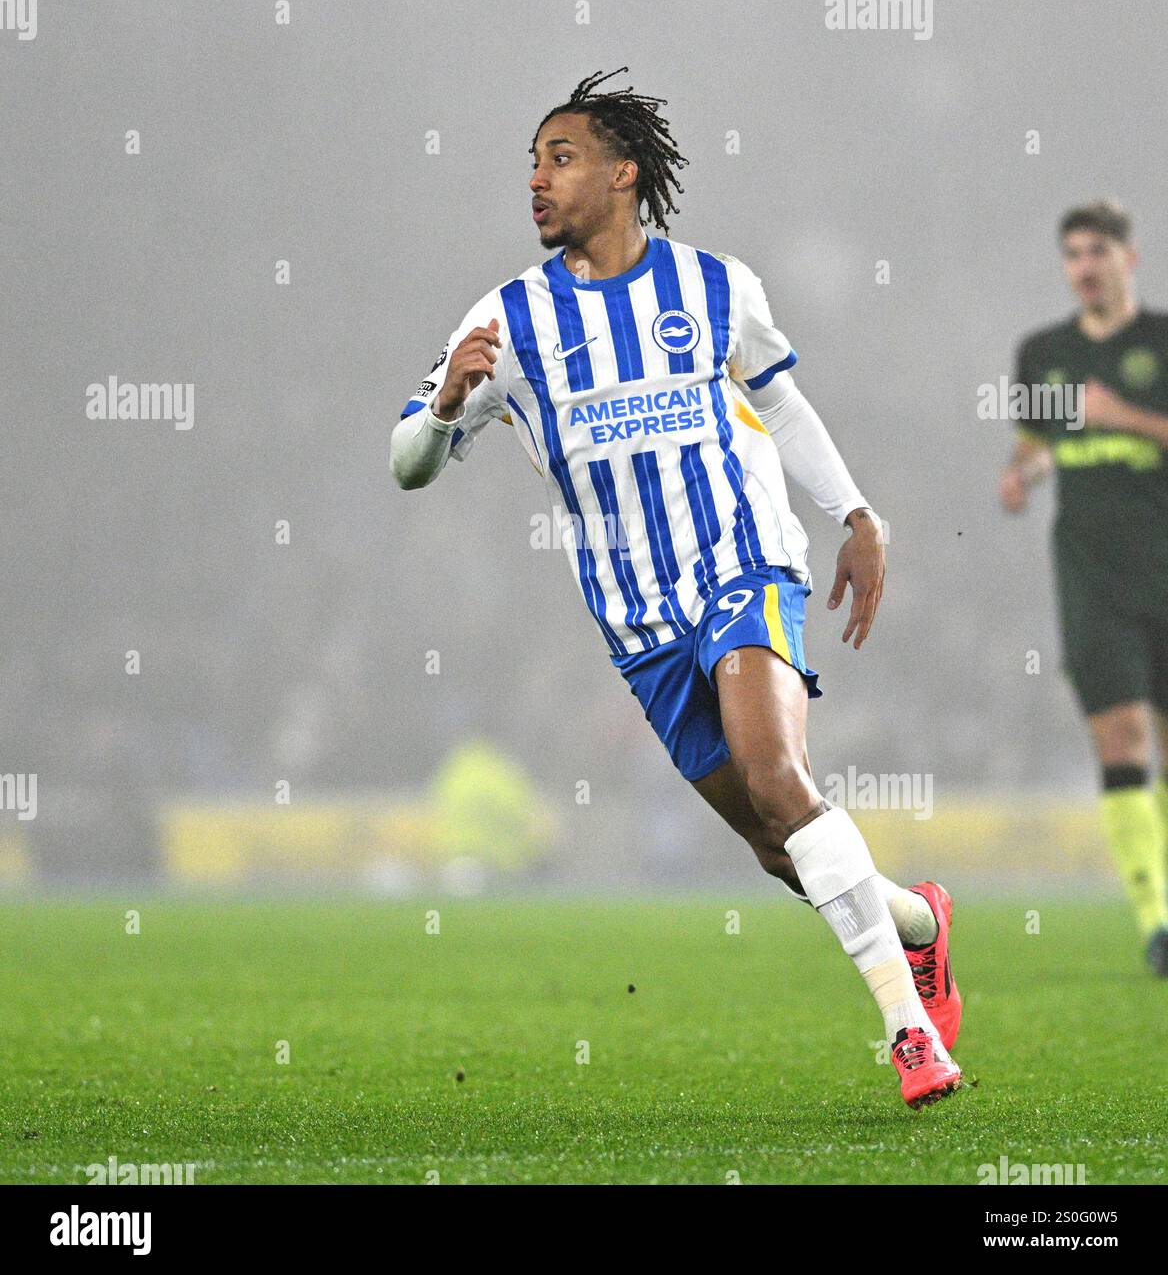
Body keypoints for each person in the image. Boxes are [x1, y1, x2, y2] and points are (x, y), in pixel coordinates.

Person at [392, 68, 963, 1105]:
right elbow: (406, 465)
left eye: (557, 158)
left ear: (622, 173)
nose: (535, 180)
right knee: (768, 836)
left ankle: (908, 1033)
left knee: (777, 773)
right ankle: (918, 924)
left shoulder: (713, 287)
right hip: (634, 614)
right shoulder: (506, 318)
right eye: (529, 162)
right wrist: (442, 405)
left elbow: (779, 402)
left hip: (742, 564)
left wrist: (857, 515)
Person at [1001, 200, 1168, 974]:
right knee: (1119, 736)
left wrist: (1128, 417)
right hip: (1090, 572)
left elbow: (1122, 422)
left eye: (1098, 251)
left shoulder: (1161, 344)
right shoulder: (1043, 353)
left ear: (1129, 258)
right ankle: (1155, 922)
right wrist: (1022, 474)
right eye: (1073, 254)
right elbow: (1038, 445)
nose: (1085, 266)